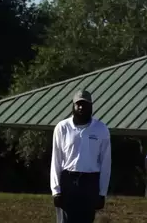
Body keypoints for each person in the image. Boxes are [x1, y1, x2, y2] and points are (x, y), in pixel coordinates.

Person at [50, 89, 112, 223]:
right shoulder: (62, 128)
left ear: (91, 106)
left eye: (84, 104)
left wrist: (102, 193)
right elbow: (56, 160)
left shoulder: (101, 129)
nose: (81, 107)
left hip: (89, 183)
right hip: (68, 182)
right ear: (73, 106)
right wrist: (56, 191)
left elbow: (105, 163)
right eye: (78, 104)